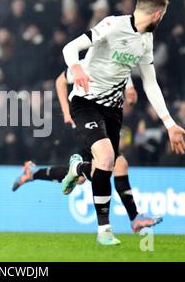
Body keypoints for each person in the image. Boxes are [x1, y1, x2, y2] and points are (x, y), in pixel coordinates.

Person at [60, 0, 185, 245]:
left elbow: (151, 84)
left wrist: (170, 123)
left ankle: (78, 168)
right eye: (162, 16)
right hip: (85, 102)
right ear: (157, 14)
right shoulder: (112, 25)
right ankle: (104, 231)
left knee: (104, 166)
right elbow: (70, 47)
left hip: (113, 110)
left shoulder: (145, 41)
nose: (161, 20)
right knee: (108, 158)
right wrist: (76, 66)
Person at [12, 70, 162, 234]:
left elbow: (123, 72)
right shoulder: (86, 65)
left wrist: (129, 88)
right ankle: (132, 218)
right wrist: (66, 111)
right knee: (103, 167)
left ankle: (36, 172)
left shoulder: (114, 64)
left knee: (109, 168)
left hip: (101, 125)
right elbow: (60, 81)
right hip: (86, 123)